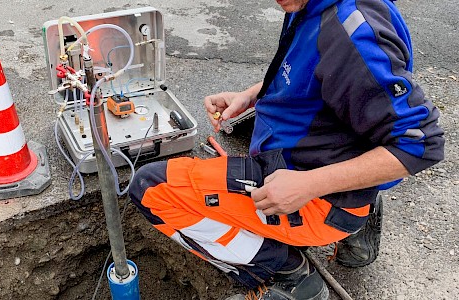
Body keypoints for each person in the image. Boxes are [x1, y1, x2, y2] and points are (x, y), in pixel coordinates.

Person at [129, 0, 445, 298]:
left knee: (151, 188)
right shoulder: (317, 6)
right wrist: (255, 95)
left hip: (314, 193)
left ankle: (287, 274)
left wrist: (308, 185)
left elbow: (421, 143)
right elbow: (314, 74)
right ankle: (358, 229)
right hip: (328, 162)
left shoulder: (352, 36)